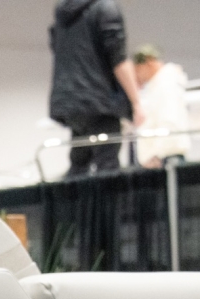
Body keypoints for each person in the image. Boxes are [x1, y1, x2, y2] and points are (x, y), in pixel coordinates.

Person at [48, 0, 146, 177]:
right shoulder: (105, 7)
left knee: (79, 163)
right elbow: (118, 59)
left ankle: (75, 204)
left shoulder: (63, 11)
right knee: (107, 166)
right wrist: (136, 102)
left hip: (69, 102)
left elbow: (56, 48)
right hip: (99, 102)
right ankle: (108, 205)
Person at [132, 44, 190, 168]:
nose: (137, 75)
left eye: (138, 69)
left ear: (149, 63)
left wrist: (157, 154)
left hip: (164, 159)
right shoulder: (158, 85)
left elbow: (169, 120)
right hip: (162, 157)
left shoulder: (166, 84)